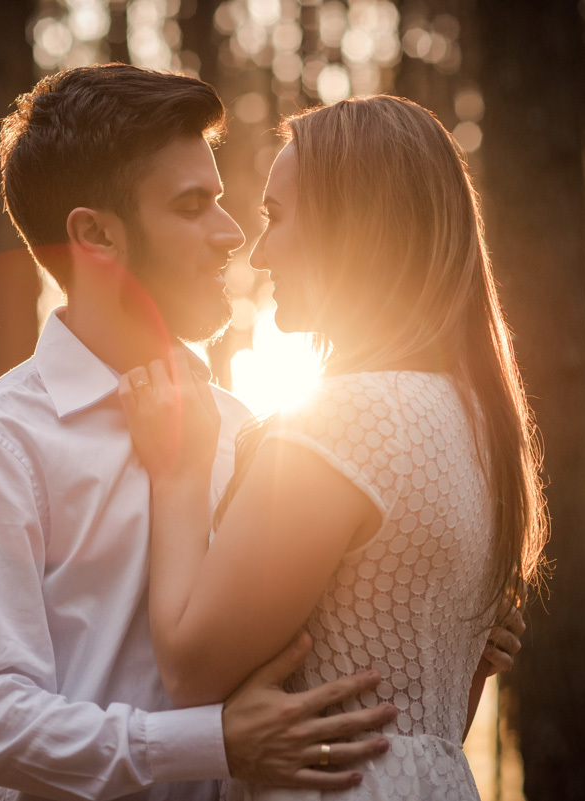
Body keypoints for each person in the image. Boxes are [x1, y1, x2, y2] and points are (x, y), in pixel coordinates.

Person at [0, 66, 523, 800]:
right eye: (193, 206)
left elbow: (332, 683)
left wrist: (451, 641)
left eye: (226, 203)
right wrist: (214, 742)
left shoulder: (254, 433)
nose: (233, 235)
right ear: (97, 236)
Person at [117, 95, 546, 800]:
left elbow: (191, 668)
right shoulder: (475, 419)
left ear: (356, 226)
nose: (258, 251)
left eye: (277, 219)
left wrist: (180, 470)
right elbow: (419, 722)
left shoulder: (346, 418)